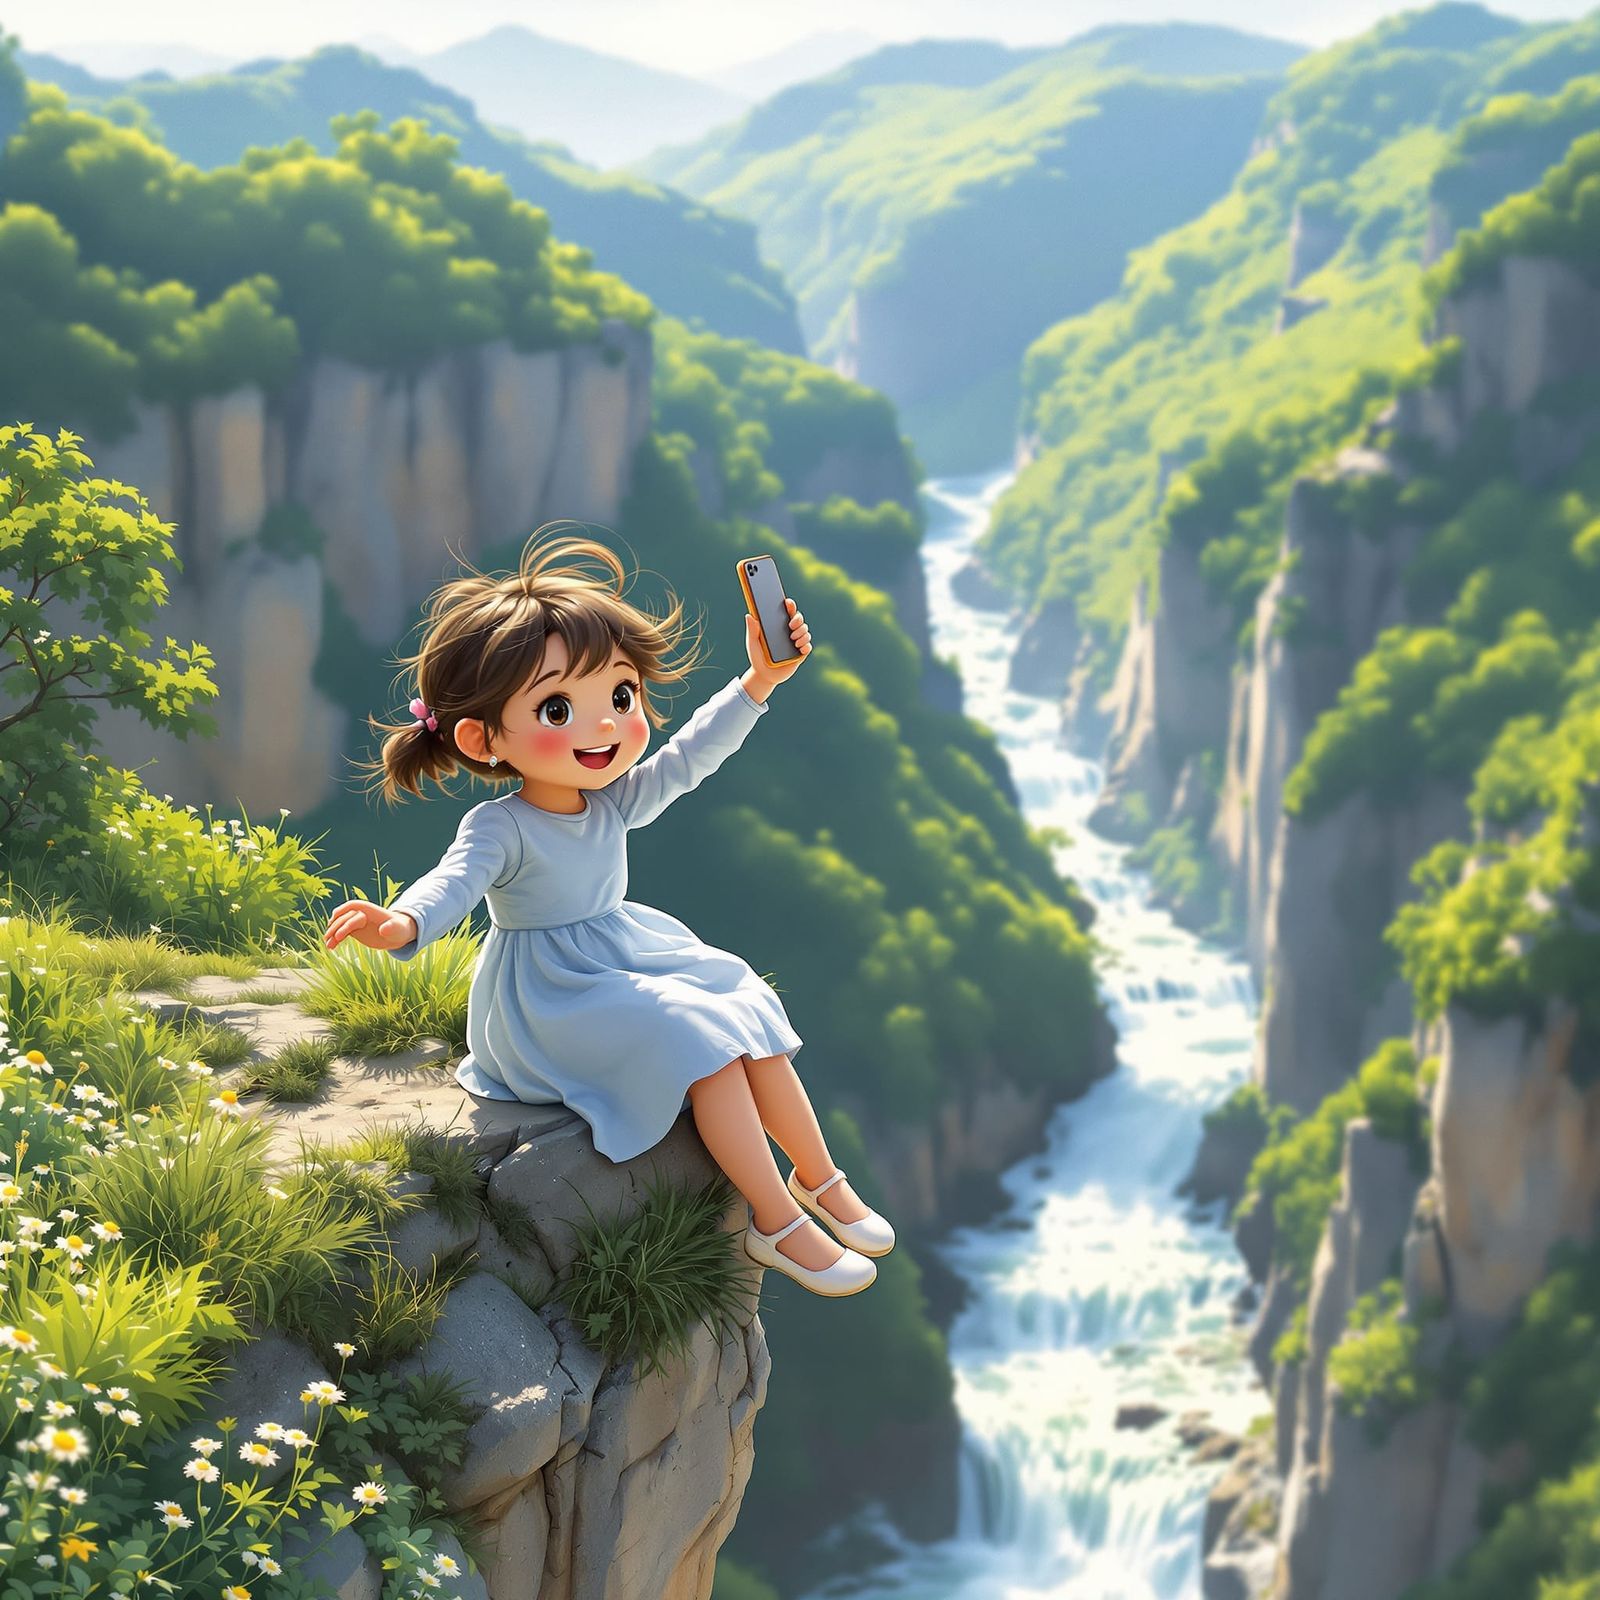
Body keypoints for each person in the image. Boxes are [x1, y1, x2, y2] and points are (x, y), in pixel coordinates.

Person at [322, 530, 895, 1296]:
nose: (604, 725)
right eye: (558, 707)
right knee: (700, 1043)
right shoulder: (502, 825)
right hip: (547, 995)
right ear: (482, 738)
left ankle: (818, 1179)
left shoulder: (608, 801)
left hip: (618, 956)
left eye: (620, 696)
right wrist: (403, 923)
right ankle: (773, 1222)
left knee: (745, 1002)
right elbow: (453, 882)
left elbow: (690, 758)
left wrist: (760, 680)